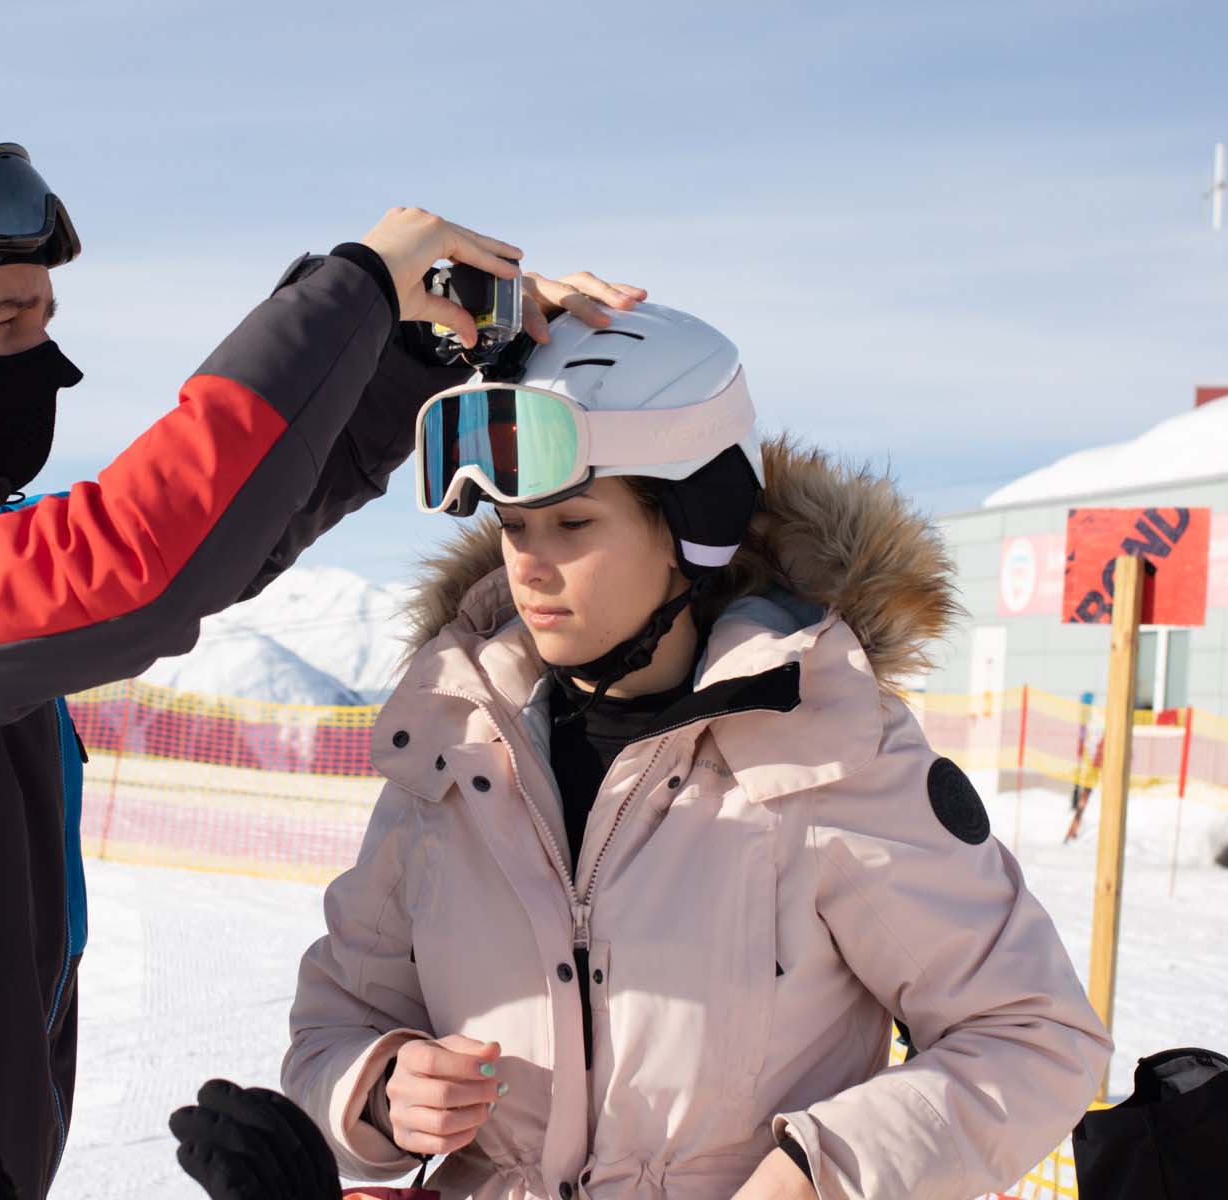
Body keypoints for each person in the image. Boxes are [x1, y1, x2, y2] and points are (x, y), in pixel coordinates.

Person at [0, 83, 642, 1198]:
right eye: (7, 324)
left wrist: (408, 354)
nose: (48, 366)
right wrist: (350, 290)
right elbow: (128, 571)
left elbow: (226, 544)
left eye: (49, 322)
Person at [284, 306, 1114, 1200]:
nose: (528, 563)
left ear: (693, 524)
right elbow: (341, 1020)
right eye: (515, 528)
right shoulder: (451, 745)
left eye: (572, 524)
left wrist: (818, 1173)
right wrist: (379, 1090)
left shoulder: (825, 749)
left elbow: (1034, 1036)